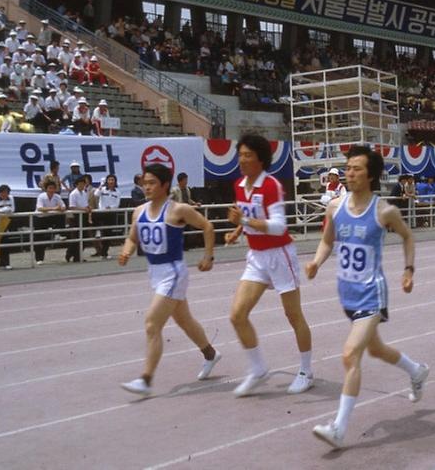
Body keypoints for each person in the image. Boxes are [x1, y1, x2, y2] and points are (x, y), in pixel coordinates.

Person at [307, 145, 429, 449]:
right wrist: (315, 262)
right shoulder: (335, 206)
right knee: (376, 350)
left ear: (371, 174)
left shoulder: (383, 211)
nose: (349, 173)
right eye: (347, 167)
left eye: (356, 168)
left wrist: (409, 269)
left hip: (372, 295)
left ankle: (338, 428)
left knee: (350, 355)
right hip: (346, 294)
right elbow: (326, 242)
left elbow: (407, 236)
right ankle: (417, 370)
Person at [118, 164, 221, 396]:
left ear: (165, 185)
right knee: (184, 320)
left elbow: (207, 226)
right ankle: (211, 354)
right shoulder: (139, 211)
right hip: (154, 272)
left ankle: (145, 379)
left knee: (152, 324)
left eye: (152, 182)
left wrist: (208, 256)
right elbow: (132, 238)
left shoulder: (178, 210)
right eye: (144, 182)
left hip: (173, 272)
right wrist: (126, 251)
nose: (147, 186)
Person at [225, 134, 314, 397]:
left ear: (261, 159)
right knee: (237, 315)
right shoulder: (240, 185)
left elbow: (278, 226)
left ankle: (306, 371)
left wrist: (245, 221)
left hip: (280, 254)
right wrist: (238, 231)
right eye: (240, 154)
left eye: (248, 155)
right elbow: (249, 217)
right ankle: (257, 368)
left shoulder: (271, 185)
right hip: (256, 256)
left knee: (293, 315)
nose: (242, 160)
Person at [34, 180, 66, 265]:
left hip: (51, 217)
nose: (51, 190)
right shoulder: (41, 196)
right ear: (46, 189)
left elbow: (63, 206)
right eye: (50, 188)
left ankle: (59, 233)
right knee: (39, 238)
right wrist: (54, 209)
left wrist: (60, 208)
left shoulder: (57, 196)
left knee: (61, 216)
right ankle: (39, 258)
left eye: (53, 188)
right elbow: (40, 208)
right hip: (40, 218)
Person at [66, 175, 92, 263]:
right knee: (76, 237)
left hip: (84, 216)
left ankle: (78, 255)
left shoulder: (84, 193)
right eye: (80, 184)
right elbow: (72, 207)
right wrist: (83, 209)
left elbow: (85, 204)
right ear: (76, 184)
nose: (82, 186)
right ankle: (70, 254)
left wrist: (88, 208)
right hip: (76, 217)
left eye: (83, 184)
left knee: (85, 237)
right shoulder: (73, 194)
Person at [95, 174, 121, 259]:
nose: (111, 181)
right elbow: (96, 194)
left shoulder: (117, 192)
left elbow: (117, 204)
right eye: (109, 180)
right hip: (101, 213)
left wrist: (111, 207)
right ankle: (101, 252)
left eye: (112, 180)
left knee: (108, 234)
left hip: (111, 214)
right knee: (101, 233)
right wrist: (101, 185)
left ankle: (104, 252)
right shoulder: (102, 189)